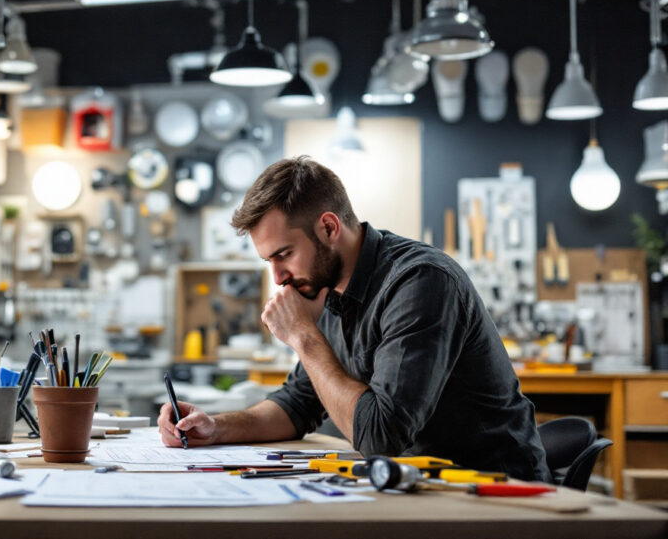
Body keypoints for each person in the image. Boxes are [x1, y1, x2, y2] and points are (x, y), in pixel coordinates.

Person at [158, 156, 550, 482]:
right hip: (416, 488)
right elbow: (298, 404)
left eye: (284, 255)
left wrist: (303, 337)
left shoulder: (421, 282)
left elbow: (382, 436)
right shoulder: (328, 290)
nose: (277, 278)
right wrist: (215, 427)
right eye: (269, 261)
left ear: (329, 227)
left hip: (493, 494)